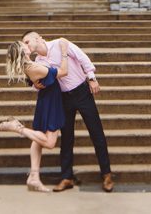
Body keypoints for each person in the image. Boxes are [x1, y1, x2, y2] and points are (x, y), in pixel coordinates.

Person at [21, 31, 114, 193]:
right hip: (63, 99)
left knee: (96, 132)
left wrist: (92, 78)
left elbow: (82, 57)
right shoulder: (38, 61)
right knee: (66, 138)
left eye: (27, 42)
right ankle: (66, 177)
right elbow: (42, 82)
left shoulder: (60, 43)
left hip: (82, 92)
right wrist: (36, 85)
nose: (25, 45)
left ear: (38, 38)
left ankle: (106, 175)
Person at [0, 38, 70, 192]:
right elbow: (63, 72)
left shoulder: (29, 65)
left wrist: (33, 82)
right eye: (24, 44)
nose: (27, 44)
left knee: (38, 138)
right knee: (49, 143)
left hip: (46, 99)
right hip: (51, 102)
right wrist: (64, 52)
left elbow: (33, 78)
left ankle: (34, 177)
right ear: (22, 51)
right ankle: (18, 128)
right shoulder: (33, 66)